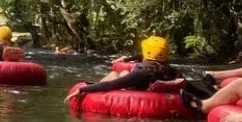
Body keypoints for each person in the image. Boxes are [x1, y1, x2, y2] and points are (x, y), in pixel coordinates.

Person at [64, 36, 210, 103]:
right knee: (123, 72)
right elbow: (195, 90)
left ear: (146, 54)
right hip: (165, 98)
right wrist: (211, 97)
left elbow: (113, 85)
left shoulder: (142, 72)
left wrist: (85, 88)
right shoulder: (172, 71)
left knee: (117, 73)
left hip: (140, 97)